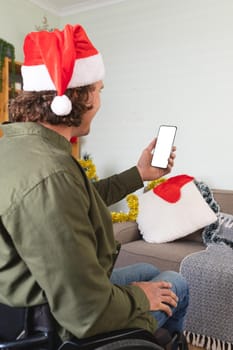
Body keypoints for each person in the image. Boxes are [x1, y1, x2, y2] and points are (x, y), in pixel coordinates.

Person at [0, 24, 188, 344]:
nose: (100, 101)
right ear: (78, 96)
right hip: (60, 322)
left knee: (143, 269)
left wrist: (139, 174)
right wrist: (141, 299)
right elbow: (86, 310)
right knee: (175, 284)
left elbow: (80, 201)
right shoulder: (51, 176)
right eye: (99, 90)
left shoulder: (23, 148)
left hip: (45, 295)